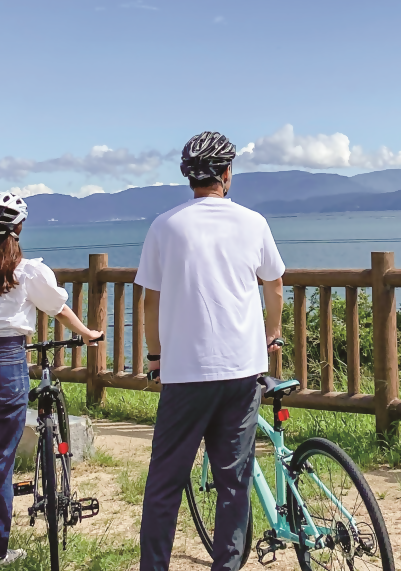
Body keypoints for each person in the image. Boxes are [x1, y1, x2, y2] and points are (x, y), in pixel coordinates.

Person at [135, 131, 285, 571]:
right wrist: (271, 333)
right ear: (226, 175)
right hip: (243, 369)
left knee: (165, 481)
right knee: (233, 481)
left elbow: (151, 299)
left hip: (185, 372)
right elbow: (274, 283)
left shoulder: (165, 225)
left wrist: (155, 356)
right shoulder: (253, 222)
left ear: (189, 179)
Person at [0, 191, 103, 565]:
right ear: (18, 228)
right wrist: (88, 333)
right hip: (7, 363)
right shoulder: (28, 271)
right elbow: (58, 308)